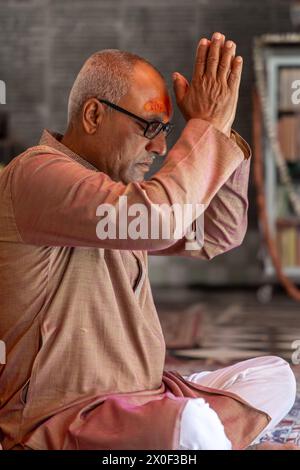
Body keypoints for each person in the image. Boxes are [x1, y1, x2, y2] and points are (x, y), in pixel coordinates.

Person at [0, 32, 297, 450]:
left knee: (274, 377)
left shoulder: (122, 192)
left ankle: (190, 436)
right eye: (150, 127)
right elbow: (160, 220)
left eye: (167, 131)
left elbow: (219, 231)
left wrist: (221, 130)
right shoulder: (36, 175)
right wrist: (205, 128)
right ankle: (194, 436)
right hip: (68, 419)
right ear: (92, 115)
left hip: (145, 395)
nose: (160, 147)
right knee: (192, 425)